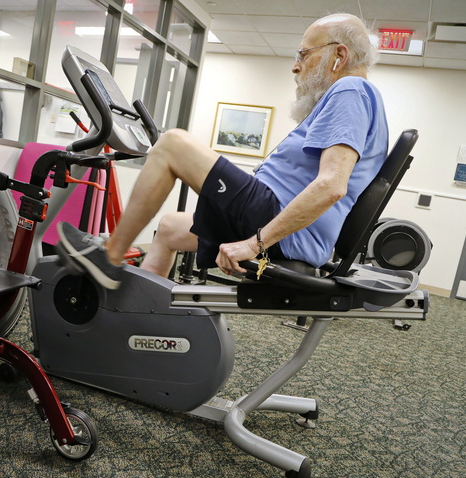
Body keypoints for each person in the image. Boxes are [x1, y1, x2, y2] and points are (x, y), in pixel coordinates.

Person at [58, 13, 389, 290]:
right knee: (170, 227)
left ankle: (110, 257)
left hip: (278, 220)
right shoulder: (353, 97)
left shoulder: (351, 89)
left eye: (303, 54)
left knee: (172, 144)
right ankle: (143, 315)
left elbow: (332, 185)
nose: (295, 66)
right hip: (281, 218)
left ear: (339, 56)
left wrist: (253, 243)